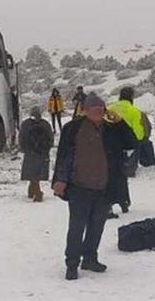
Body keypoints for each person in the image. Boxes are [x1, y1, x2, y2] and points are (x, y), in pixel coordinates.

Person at [52, 93, 136, 280]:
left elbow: (132, 142)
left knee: (97, 226)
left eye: (101, 108)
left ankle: (90, 258)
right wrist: (60, 179)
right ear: (86, 110)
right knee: (76, 227)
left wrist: (120, 122)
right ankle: (72, 263)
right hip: (79, 187)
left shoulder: (111, 129)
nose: (98, 111)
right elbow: (64, 156)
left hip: (104, 188)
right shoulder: (73, 128)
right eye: (94, 108)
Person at [106, 86, 144, 216]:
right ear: (131, 97)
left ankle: (109, 204)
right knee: (122, 175)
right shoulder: (134, 111)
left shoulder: (110, 108)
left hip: (108, 147)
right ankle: (124, 201)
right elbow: (138, 134)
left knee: (109, 176)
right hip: (125, 148)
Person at [19, 106, 54, 202]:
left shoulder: (25, 124)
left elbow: (22, 137)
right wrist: (47, 148)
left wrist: (23, 148)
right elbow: (50, 138)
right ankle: (34, 191)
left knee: (33, 173)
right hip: (42, 152)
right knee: (37, 174)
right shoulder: (45, 124)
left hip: (30, 152)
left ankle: (36, 192)